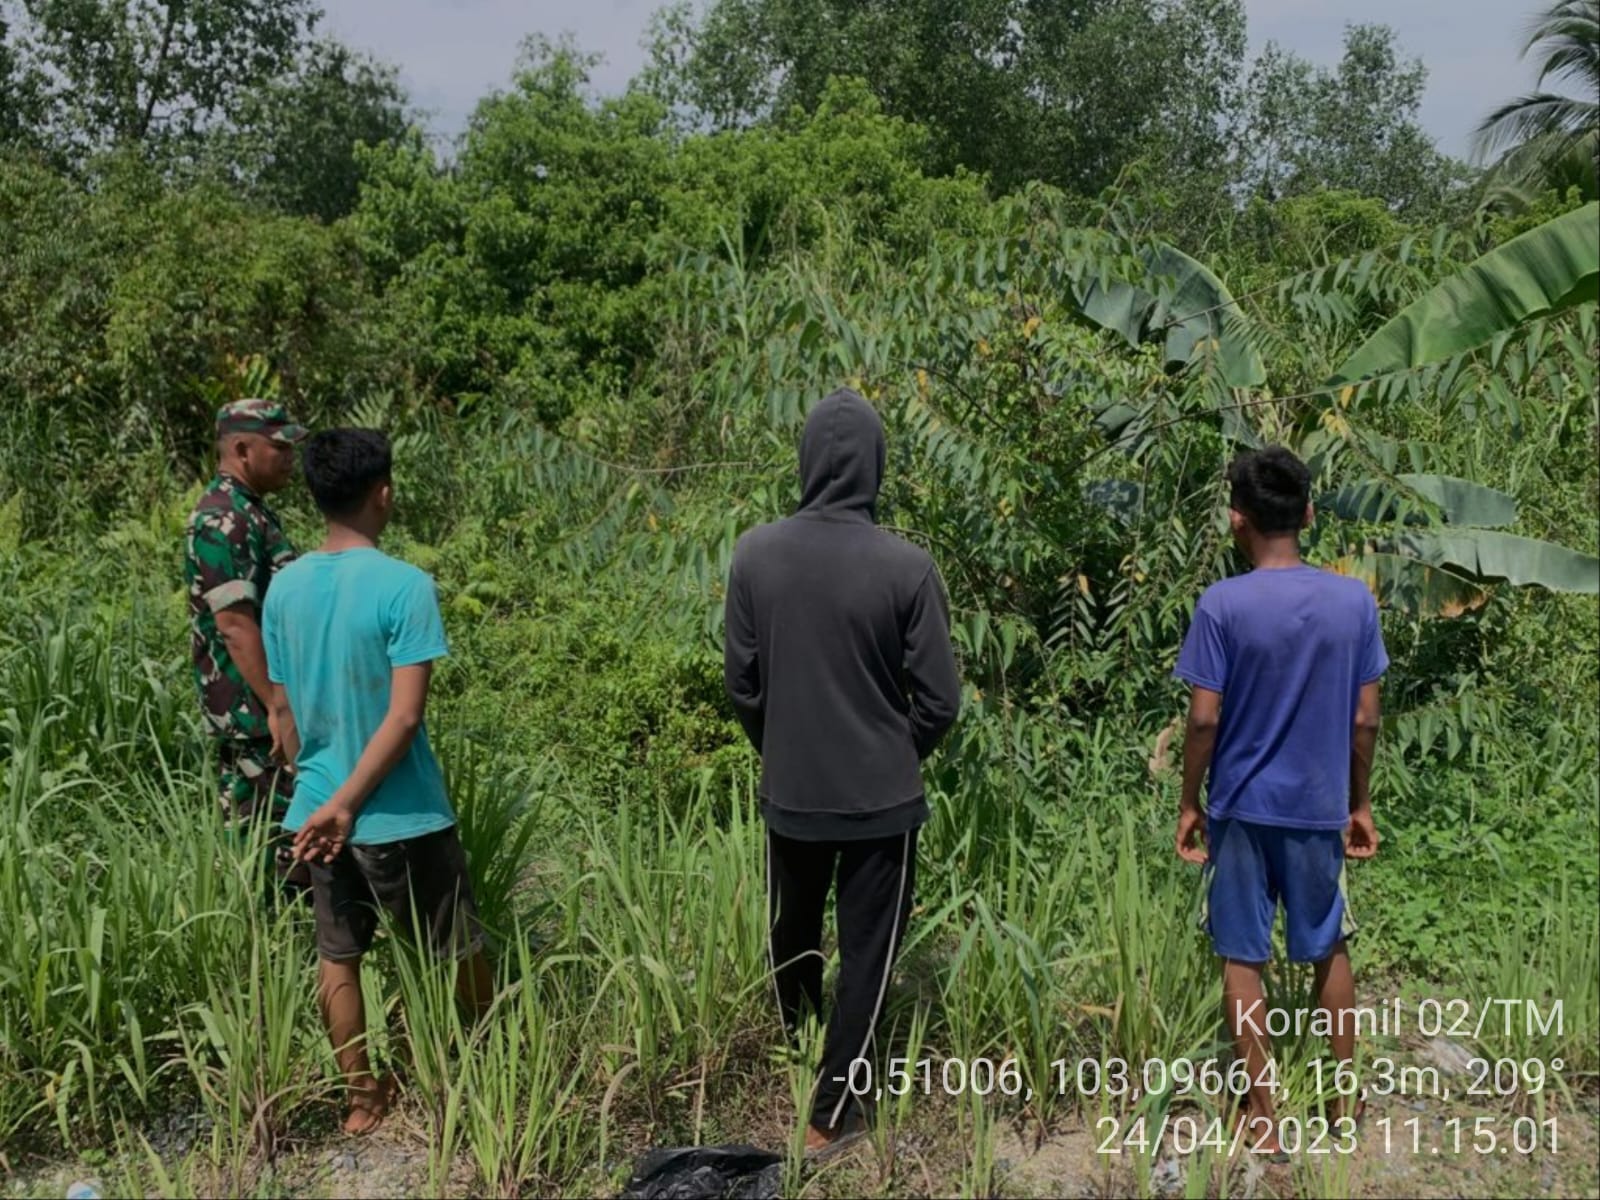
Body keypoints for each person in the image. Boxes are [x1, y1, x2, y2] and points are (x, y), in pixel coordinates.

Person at [723, 387, 962, 1157]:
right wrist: (895, 751)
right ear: (875, 467)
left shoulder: (756, 553)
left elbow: (742, 685)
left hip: (791, 789)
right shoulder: (908, 566)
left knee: (792, 927)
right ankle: (832, 1111)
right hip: (881, 801)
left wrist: (783, 744)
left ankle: (801, 1045)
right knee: (869, 951)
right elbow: (940, 701)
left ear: (804, 462)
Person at [262, 428, 493, 1135]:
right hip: (402, 815)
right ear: (382, 493)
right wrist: (350, 803)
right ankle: (482, 1061)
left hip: (313, 814)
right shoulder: (404, 585)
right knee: (460, 945)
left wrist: (320, 797)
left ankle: (363, 1100)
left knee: (340, 955)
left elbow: (280, 712)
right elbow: (403, 717)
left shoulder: (285, 586)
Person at [1173, 446, 1387, 1155]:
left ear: (1238, 520)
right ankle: (1342, 1100)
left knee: (1243, 956)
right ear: (1310, 515)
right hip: (1319, 809)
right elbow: (1364, 719)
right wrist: (1359, 803)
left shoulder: (1221, 605)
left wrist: (1190, 802)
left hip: (1240, 808)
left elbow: (1204, 720)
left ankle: (1262, 1117)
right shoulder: (1353, 601)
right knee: (1328, 946)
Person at [183, 398, 311, 899]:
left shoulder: (249, 512)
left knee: (272, 829)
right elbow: (235, 626)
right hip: (252, 709)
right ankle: (273, 945)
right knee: (268, 833)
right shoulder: (224, 520)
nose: (289, 458)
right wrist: (277, 705)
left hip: (264, 704)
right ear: (241, 448)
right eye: (279, 447)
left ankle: (282, 937)